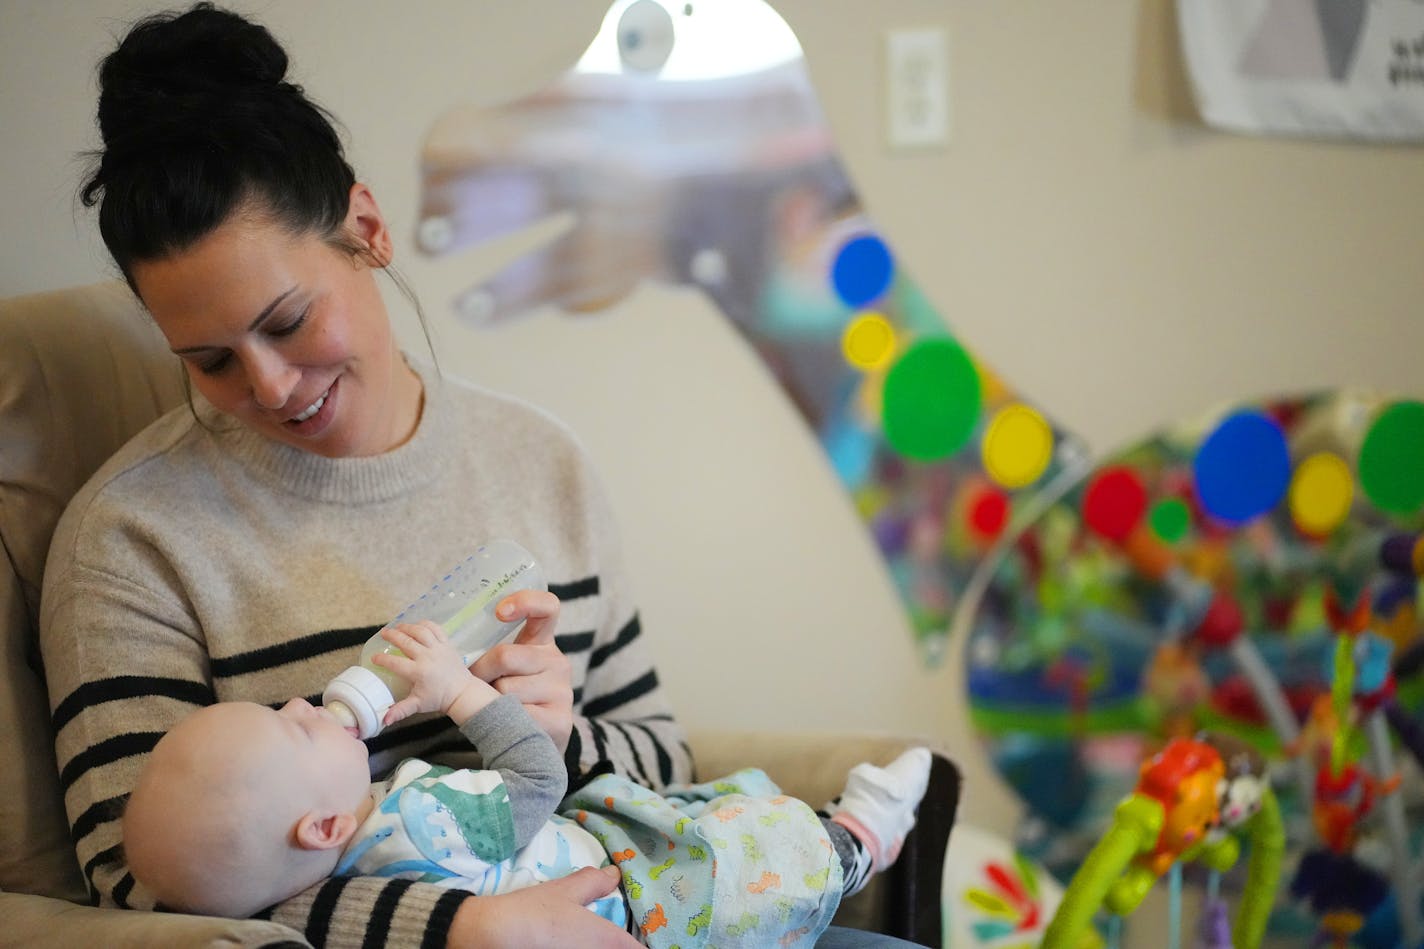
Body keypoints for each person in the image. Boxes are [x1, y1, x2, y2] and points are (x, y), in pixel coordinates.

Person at [40, 3, 929, 947]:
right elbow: (151, 887)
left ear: (368, 227)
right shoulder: (131, 541)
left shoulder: (540, 465)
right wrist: (462, 929)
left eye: (289, 321)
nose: (266, 384)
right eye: (210, 360)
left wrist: (556, 734)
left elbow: (661, 758)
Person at [123, 620, 932, 947]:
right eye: (296, 725)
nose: (304, 701)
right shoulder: (416, 821)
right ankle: (859, 835)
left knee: (709, 808)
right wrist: (459, 693)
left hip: (614, 859)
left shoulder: (341, 876)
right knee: (755, 852)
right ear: (323, 827)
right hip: (650, 901)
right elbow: (536, 775)